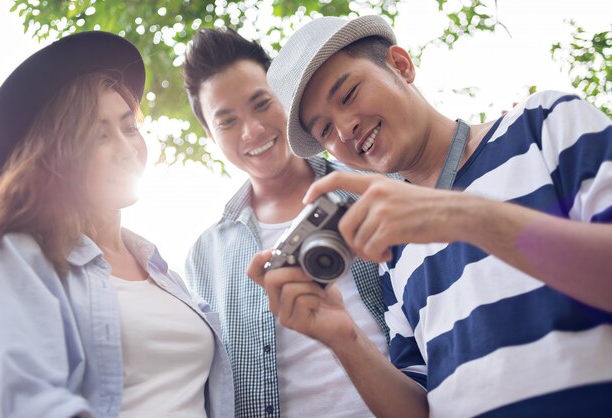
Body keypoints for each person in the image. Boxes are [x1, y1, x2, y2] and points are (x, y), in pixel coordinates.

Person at [248, 15, 612, 418]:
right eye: (325, 131)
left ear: (401, 65)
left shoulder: (543, 122)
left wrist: (463, 215)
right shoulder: (393, 248)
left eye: (349, 94)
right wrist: (344, 339)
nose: (345, 129)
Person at [0, 31, 233, 418]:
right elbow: (30, 402)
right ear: (57, 156)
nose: (126, 148)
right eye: (99, 136)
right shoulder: (19, 253)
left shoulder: (160, 268)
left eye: (129, 127)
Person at [182, 28, 392, 417]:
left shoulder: (374, 186)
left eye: (262, 104)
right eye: (227, 122)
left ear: (285, 97)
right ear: (211, 136)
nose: (253, 131)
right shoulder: (204, 257)